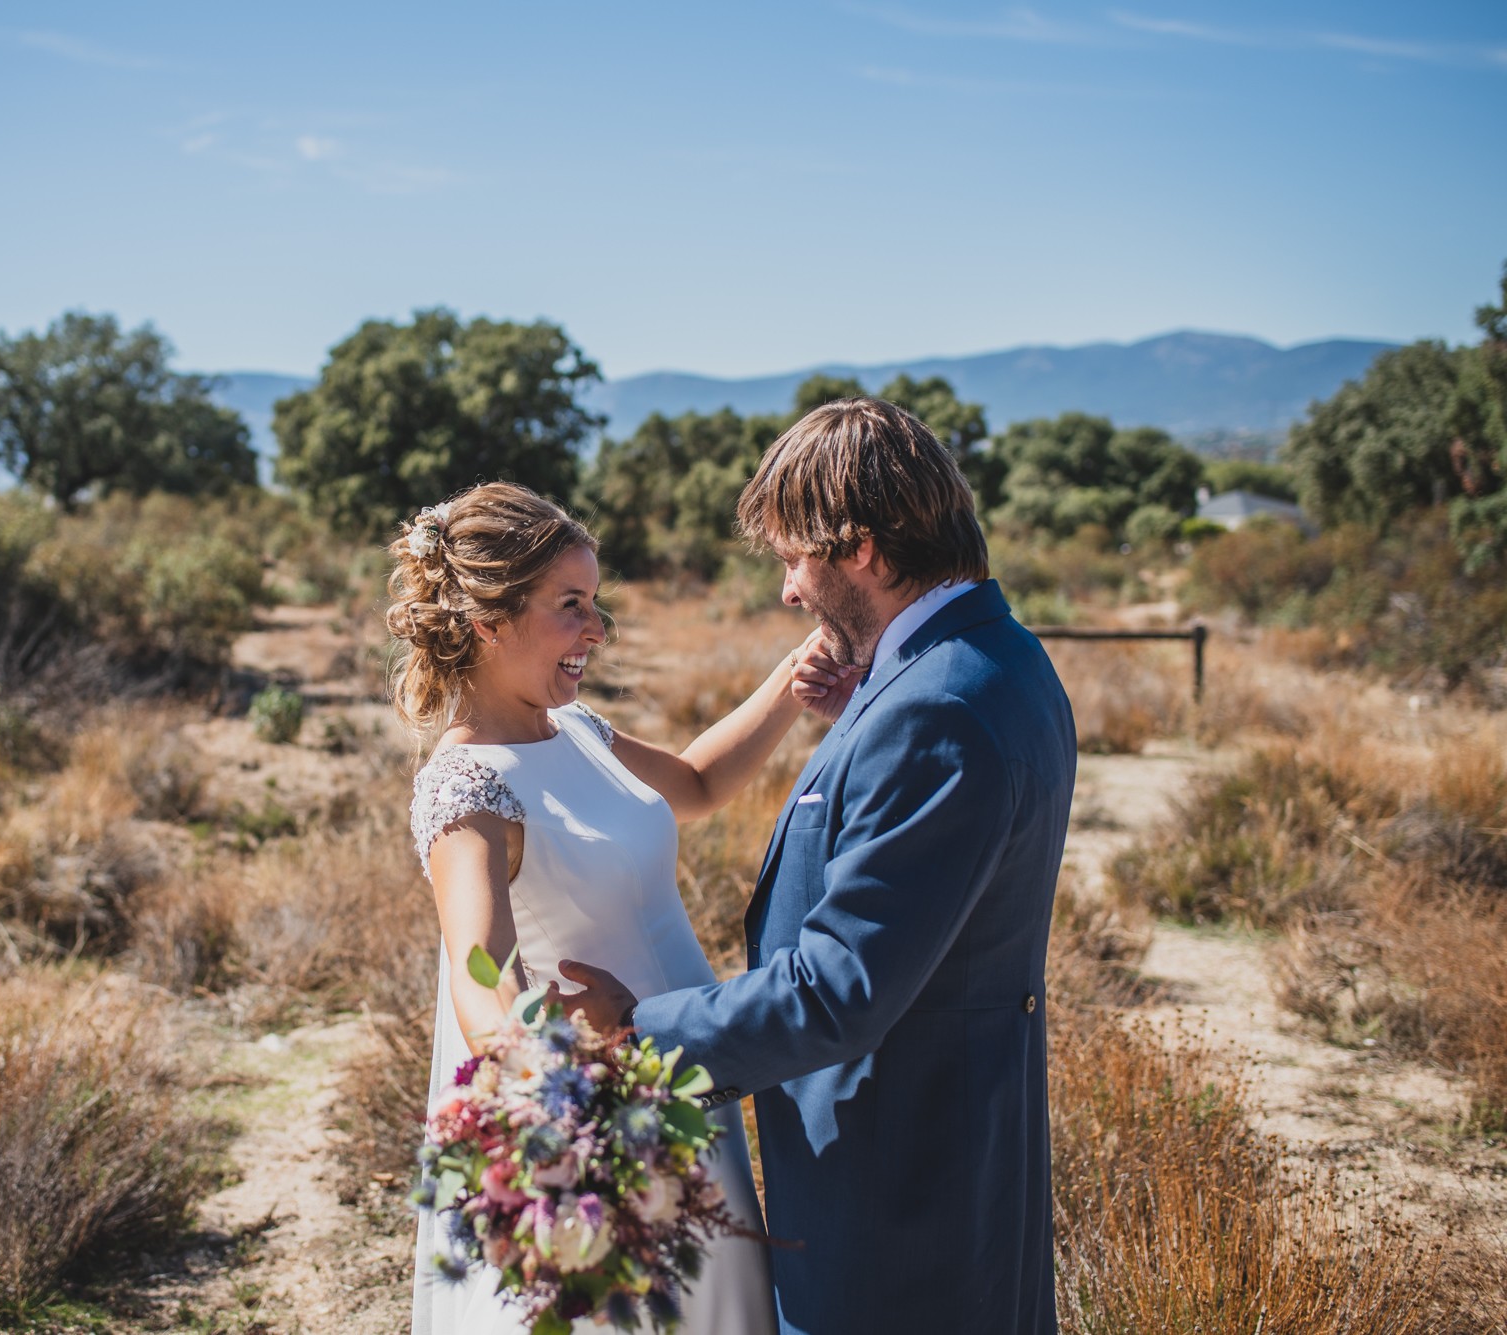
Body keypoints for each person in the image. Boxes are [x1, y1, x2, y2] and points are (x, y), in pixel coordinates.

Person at [557, 399, 1077, 1335]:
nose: (791, 590)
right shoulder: (996, 660)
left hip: (898, 1186)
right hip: (944, 1150)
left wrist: (638, 1028)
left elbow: (839, 985)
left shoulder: (935, 710)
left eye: (797, 558)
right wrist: (863, 715)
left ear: (863, 550)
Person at [393, 481, 851, 1335]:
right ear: (488, 620)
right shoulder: (469, 790)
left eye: (596, 604)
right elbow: (475, 959)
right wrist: (538, 1082)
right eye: (572, 607)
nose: (597, 631)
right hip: (612, 1112)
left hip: (690, 1065)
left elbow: (701, 782)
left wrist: (795, 677)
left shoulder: (576, 732)